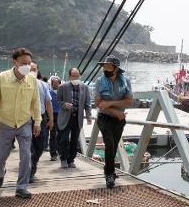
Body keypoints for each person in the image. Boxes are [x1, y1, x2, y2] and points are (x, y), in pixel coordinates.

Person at [0, 48, 41, 199]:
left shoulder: (32, 80)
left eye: (29, 63)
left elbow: (36, 103)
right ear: (15, 62)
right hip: (4, 123)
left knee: (26, 156)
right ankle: (0, 172)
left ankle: (21, 187)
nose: (27, 66)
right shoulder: (2, 78)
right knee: (0, 157)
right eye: (24, 63)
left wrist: (37, 122)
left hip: (24, 123)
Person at [94, 56, 133, 188]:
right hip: (104, 118)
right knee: (109, 144)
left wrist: (110, 103)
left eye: (108, 66)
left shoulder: (125, 81)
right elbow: (99, 103)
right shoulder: (100, 81)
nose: (105, 69)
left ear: (116, 68)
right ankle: (109, 175)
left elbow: (129, 100)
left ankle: (109, 170)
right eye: (104, 66)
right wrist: (115, 111)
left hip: (119, 120)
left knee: (114, 145)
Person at [57, 68, 92, 168]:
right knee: (64, 139)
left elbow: (87, 104)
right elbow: (58, 101)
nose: (75, 78)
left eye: (77, 76)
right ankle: (63, 159)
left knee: (74, 140)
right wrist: (65, 105)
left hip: (77, 117)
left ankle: (71, 160)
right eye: (73, 76)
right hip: (65, 117)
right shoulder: (62, 87)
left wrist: (88, 116)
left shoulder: (85, 87)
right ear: (69, 77)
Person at [28, 61, 53, 182]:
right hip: (25, 119)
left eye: (34, 69)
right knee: (27, 146)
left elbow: (48, 103)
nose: (32, 71)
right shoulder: (19, 84)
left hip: (41, 118)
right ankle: (29, 172)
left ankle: (32, 164)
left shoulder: (43, 85)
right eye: (30, 69)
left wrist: (51, 119)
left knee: (41, 145)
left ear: (37, 71)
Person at [49, 76, 61, 161]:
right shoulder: (49, 93)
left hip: (61, 116)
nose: (56, 85)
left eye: (57, 83)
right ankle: (53, 154)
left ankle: (61, 152)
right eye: (54, 83)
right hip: (52, 115)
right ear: (52, 84)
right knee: (53, 135)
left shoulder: (62, 93)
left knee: (61, 135)